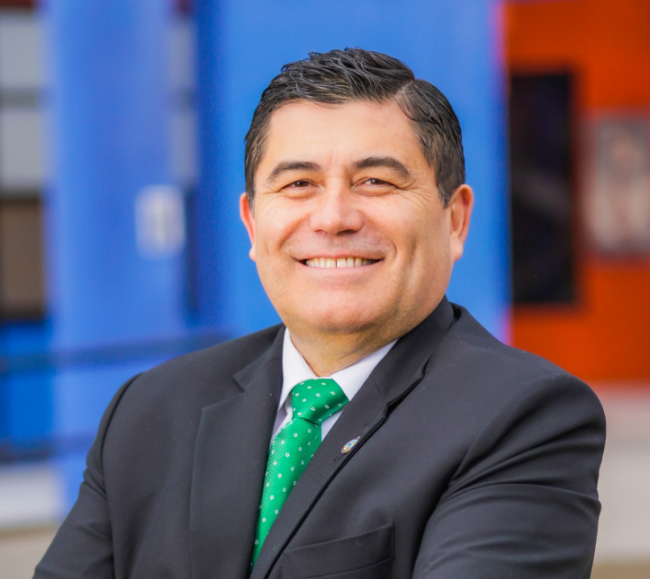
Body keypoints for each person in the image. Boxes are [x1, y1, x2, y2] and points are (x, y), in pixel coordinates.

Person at [34, 49, 605, 579]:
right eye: (299, 183)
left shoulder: (524, 418)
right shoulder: (151, 410)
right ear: (252, 224)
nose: (333, 218)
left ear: (454, 220)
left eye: (375, 181)